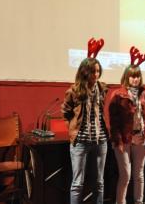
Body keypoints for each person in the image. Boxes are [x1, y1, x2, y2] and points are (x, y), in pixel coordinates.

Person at [61, 38, 108, 204]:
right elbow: (65, 112)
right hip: (80, 142)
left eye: (97, 71)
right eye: (92, 71)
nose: (96, 75)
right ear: (84, 72)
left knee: (99, 182)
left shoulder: (102, 89)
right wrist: (72, 131)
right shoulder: (74, 91)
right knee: (77, 183)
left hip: (100, 140)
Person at [109, 46, 145, 204]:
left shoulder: (144, 94)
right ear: (126, 77)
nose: (136, 79)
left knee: (139, 174)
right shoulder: (118, 94)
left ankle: (138, 201)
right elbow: (113, 121)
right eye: (132, 77)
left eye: (138, 77)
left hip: (139, 137)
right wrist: (118, 141)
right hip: (124, 138)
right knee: (126, 174)